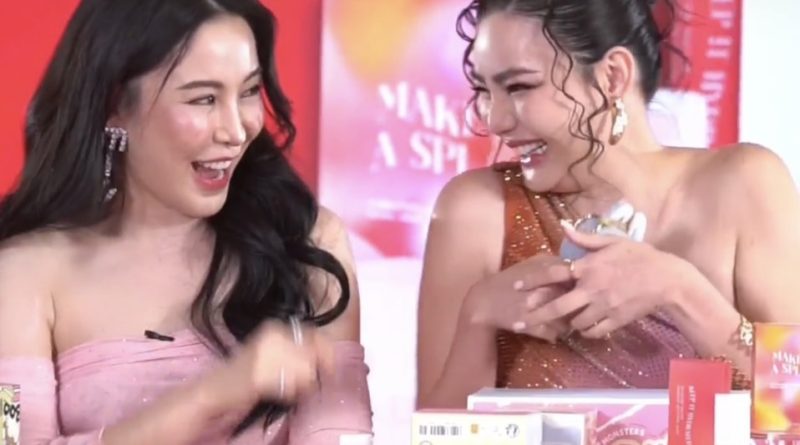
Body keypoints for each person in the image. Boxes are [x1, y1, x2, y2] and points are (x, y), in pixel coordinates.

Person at [0, 0, 372, 443]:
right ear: (115, 106)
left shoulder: (307, 242)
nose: (236, 130)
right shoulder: (20, 275)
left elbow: (342, 432)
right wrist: (212, 398)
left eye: (250, 91)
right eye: (204, 99)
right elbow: (8, 436)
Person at [416, 0, 800, 409]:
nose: (495, 120)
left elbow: (792, 406)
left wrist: (681, 291)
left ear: (613, 76)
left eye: (519, 87)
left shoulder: (744, 184)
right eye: (484, 90)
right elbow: (435, 432)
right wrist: (476, 317)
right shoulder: (478, 210)